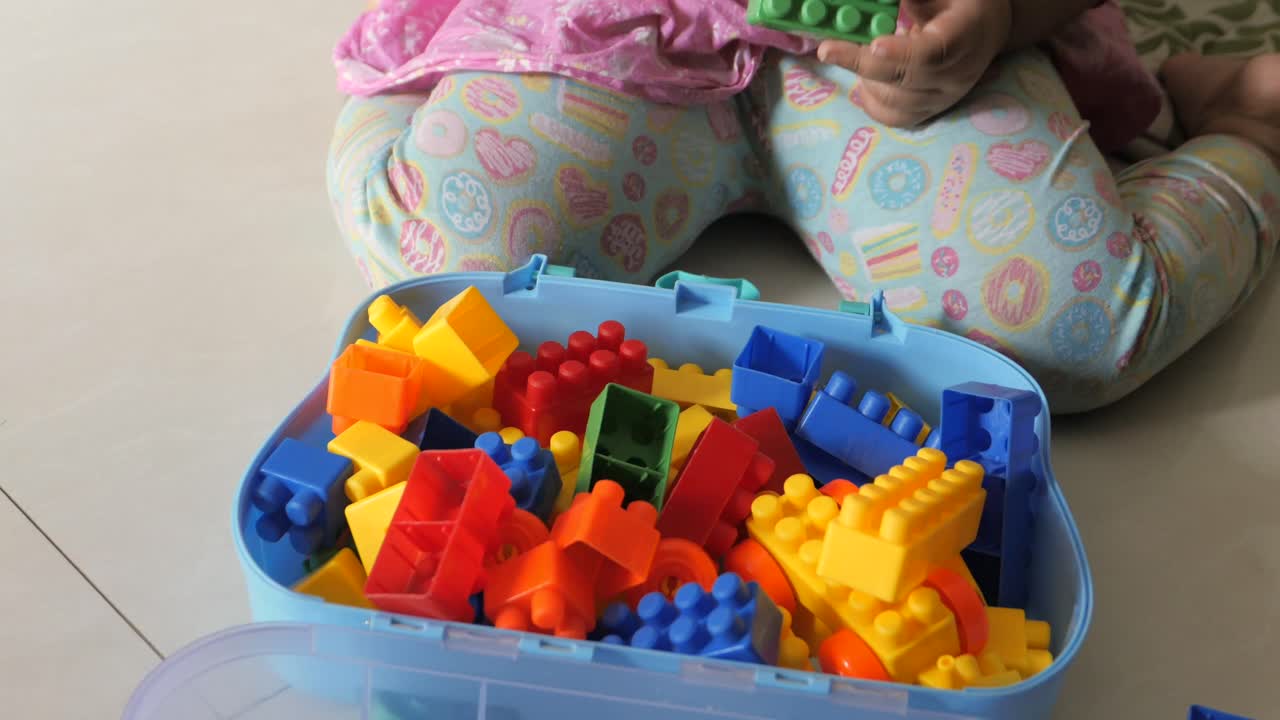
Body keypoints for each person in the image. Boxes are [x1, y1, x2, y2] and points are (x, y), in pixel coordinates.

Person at [326, 0, 1280, 412]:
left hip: (911, 54)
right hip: (609, 38)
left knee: (1071, 329)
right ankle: (417, 83)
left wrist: (1000, 16)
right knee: (455, 280)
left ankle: (1242, 124)